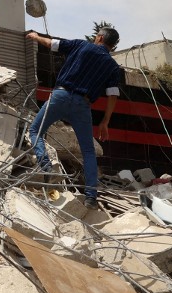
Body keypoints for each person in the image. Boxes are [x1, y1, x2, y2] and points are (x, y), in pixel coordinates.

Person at [26, 27, 122, 209]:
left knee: (35, 130)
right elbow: (113, 95)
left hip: (60, 96)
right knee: (88, 152)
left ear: (100, 37)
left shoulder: (81, 46)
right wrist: (105, 121)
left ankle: (46, 166)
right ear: (112, 45)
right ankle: (91, 197)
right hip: (82, 105)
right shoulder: (112, 67)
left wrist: (36, 37)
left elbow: (52, 43)